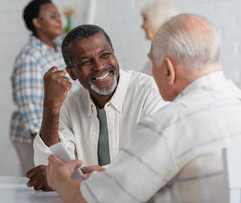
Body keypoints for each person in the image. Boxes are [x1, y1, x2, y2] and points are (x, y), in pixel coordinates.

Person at [46, 13, 241, 202]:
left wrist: (59, 179)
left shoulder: (168, 122)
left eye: (151, 61)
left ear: (167, 69)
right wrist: (111, 174)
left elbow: (86, 200)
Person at [27, 24, 166, 190]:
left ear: (114, 54)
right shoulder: (70, 105)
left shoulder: (149, 93)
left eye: (105, 55)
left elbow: (158, 160)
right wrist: (50, 106)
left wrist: (103, 175)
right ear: (72, 73)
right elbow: (47, 161)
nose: (100, 66)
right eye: (86, 61)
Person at [10, 0, 68, 176]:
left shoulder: (59, 49)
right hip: (34, 137)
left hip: (57, 132)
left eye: (59, 15)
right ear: (37, 22)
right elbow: (29, 105)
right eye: (53, 16)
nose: (59, 20)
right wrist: (47, 143)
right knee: (38, 186)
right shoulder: (30, 57)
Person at [140, 0, 178, 75]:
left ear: (156, 20)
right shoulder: (158, 52)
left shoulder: (166, 55)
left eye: (145, 19)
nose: (142, 25)